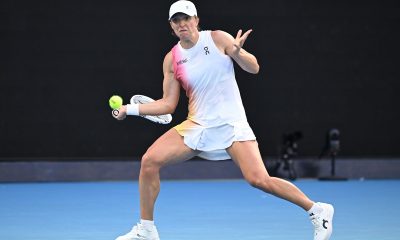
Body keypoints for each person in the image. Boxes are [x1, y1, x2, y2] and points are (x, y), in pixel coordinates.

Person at [113, 1, 334, 240]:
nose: (182, 24)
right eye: (176, 21)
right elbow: (167, 104)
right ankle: (146, 230)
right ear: (171, 27)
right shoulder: (172, 59)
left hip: (232, 124)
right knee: (149, 161)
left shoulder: (218, 38)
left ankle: (317, 209)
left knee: (258, 180)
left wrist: (238, 53)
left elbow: (255, 67)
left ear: (196, 20)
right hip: (197, 125)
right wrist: (130, 109)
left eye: (186, 18)